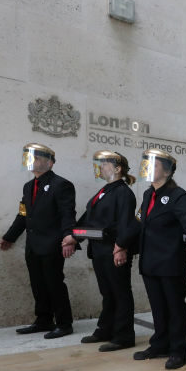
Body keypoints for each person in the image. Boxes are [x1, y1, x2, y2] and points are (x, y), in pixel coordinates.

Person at [133, 149, 186, 369]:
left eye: (153, 164)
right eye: (147, 164)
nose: (147, 168)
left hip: (170, 262)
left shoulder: (178, 195)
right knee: (158, 307)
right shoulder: (147, 195)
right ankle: (160, 344)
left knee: (174, 308)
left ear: (167, 170)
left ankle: (179, 350)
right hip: (150, 262)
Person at [0, 143, 77, 339]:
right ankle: (43, 320)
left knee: (54, 284)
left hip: (52, 243)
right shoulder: (28, 187)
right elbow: (23, 214)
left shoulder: (62, 185)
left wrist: (69, 237)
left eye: (36, 158)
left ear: (49, 163)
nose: (31, 162)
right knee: (37, 284)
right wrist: (10, 237)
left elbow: (67, 213)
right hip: (33, 245)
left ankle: (64, 323)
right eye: (30, 158)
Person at [71, 150, 139, 352]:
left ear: (118, 169)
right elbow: (88, 220)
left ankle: (124, 335)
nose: (100, 167)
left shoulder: (123, 192)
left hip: (113, 251)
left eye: (105, 164)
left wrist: (121, 247)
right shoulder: (103, 191)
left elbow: (126, 224)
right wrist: (73, 236)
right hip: (99, 250)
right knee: (107, 293)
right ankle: (106, 329)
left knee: (120, 292)